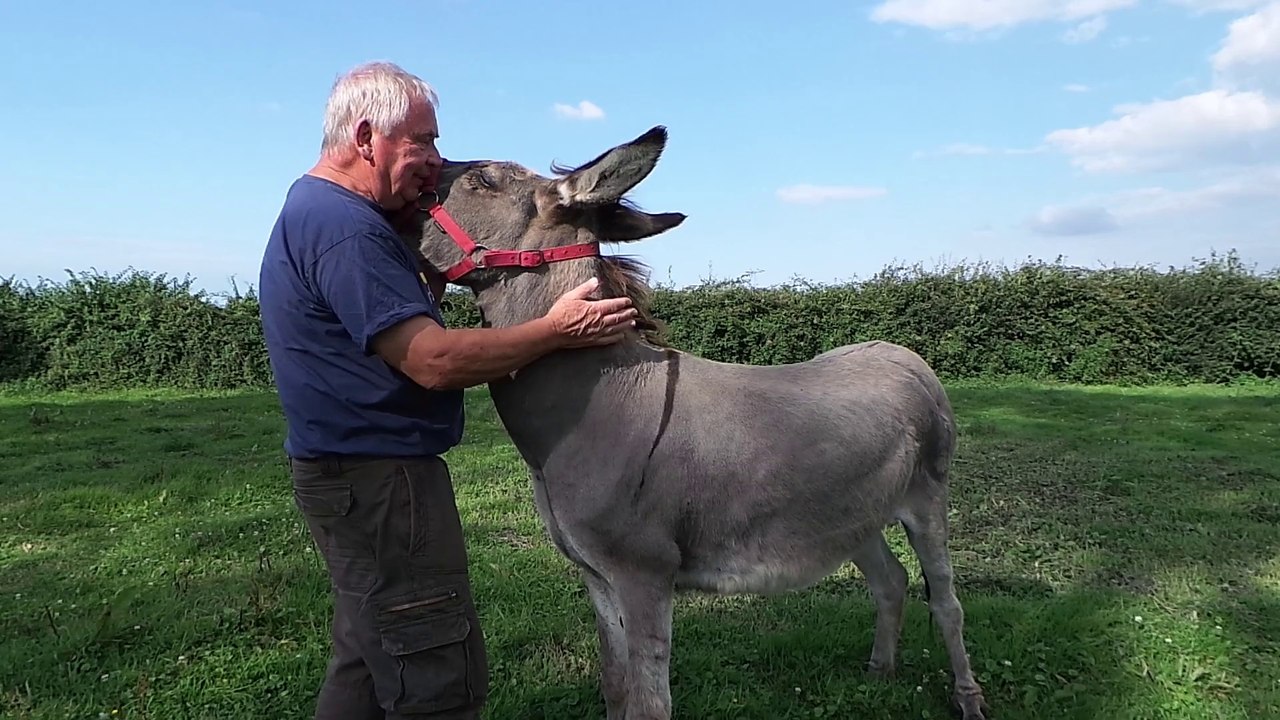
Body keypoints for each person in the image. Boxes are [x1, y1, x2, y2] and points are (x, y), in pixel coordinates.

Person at [257, 60, 637, 720]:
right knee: (435, 674)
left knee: (366, 658)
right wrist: (556, 329)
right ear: (368, 135)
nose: (437, 160)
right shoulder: (346, 226)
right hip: (383, 485)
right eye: (424, 141)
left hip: (343, 474)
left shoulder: (317, 208)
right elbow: (431, 362)